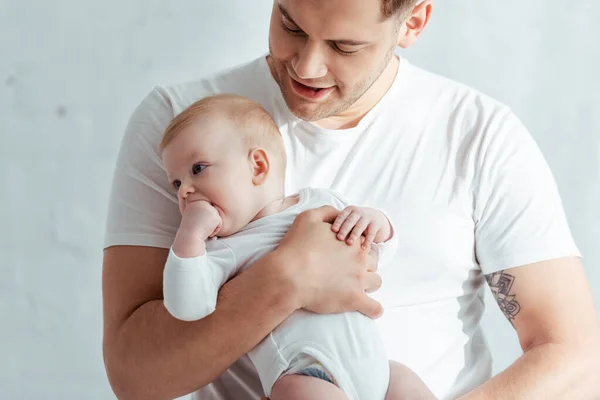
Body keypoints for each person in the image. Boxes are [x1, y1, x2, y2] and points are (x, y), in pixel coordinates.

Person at [101, 0, 600, 399]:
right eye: (290, 26)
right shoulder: (182, 131)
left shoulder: (478, 134)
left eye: (345, 44)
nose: (307, 65)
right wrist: (284, 280)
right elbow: (134, 378)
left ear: (413, 22)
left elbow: (576, 358)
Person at [159, 93, 436, 400]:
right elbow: (188, 307)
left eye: (197, 169)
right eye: (176, 184)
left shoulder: (321, 203)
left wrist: (377, 222)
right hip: (306, 374)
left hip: (380, 373)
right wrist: (190, 238)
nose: (184, 191)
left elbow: (376, 254)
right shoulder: (221, 250)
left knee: (407, 382)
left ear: (258, 166)